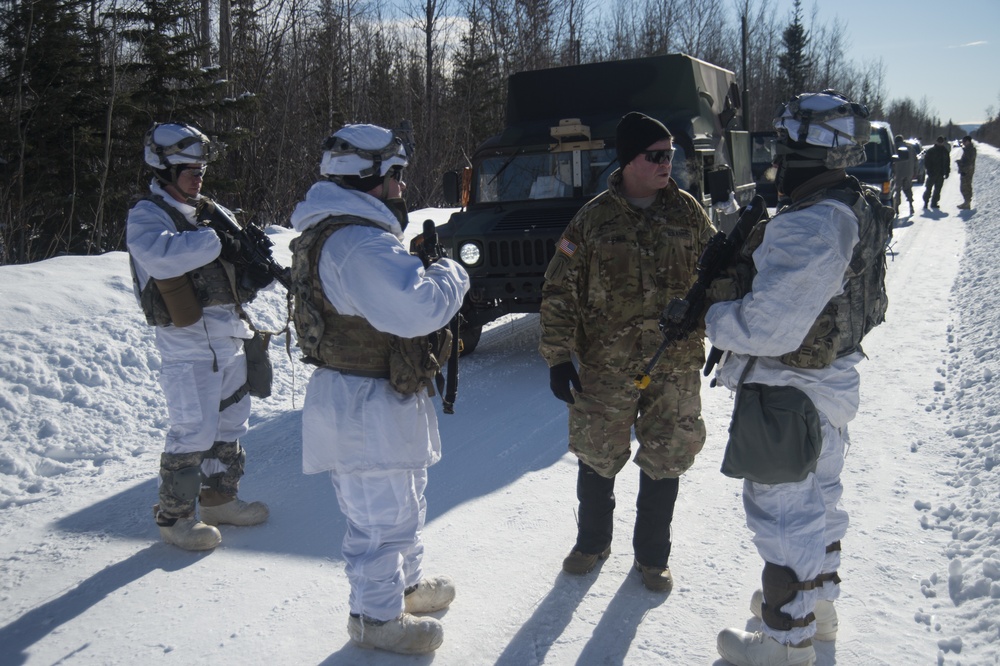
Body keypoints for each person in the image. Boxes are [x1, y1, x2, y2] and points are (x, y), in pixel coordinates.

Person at [707, 91, 890, 666]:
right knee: (821, 503)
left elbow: (767, 327)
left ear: (806, 150)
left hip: (788, 398)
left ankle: (787, 644)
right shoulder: (850, 204)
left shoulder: (811, 225)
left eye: (785, 144)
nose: (777, 156)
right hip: (827, 387)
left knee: (782, 516)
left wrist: (712, 318)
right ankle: (817, 611)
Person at [289, 124, 469, 655]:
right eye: (395, 177)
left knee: (403, 505)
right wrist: (451, 274)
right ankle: (375, 617)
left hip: (374, 400)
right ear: (369, 178)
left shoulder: (352, 236)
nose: (401, 189)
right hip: (362, 406)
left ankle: (404, 587)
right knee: (377, 521)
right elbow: (418, 309)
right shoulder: (357, 243)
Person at [539, 111, 715, 593]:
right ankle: (592, 543)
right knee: (597, 453)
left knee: (667, 455)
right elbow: (559, 290)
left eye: (670, 156)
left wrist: (723, 322)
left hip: (674, 366)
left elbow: (721, 278)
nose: (667, 165)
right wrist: (557, 357)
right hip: (608, 366)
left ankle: (653, 557)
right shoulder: (593, 219)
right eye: (656, 156)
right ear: (629, 160)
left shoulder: (689, 215)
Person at [127, 123, 271, 551]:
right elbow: (160, 256)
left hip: (228, 335)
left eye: (201, 166)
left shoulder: (206, 208)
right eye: (188, 167)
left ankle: (219, 499)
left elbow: (230, 260)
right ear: (164, 169)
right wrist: (216, 241)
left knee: (231, 422)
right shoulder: (147, 214)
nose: (198, 174)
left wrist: (252, 267)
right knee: (192, 430)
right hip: (187, 345)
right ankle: (175, 518)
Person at [922, 135, 951, 209]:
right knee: (928, 189)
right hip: (932, 173)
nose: (940, 143)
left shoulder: (945, 151)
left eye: (941, 142)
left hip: (940, 174)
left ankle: (934, 203)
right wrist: (928, 170)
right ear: (936, 142)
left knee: (937, 190)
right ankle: (926, 202)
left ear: (943, 142)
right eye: (939, 142)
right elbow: (926, 162)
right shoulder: (931, 151)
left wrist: (947, 172)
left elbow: (947, 163)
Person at [892, 134, 914, 216]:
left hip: (897, 173)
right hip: (908, 173)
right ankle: (911, 204)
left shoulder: (893, 148)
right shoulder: (910, 148)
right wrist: (914, 172)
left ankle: (896, 207)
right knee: (908, 189)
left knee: (897, 191)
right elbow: (915, 161)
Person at [956, 135, 977, 209]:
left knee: (965, 187)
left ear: (968, 141)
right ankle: (966, 202)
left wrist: (961, 164)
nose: (963, 143)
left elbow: (969, 162)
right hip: (966, 170)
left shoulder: (970, 150)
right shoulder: (968, 149)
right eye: (963, 141)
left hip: (967, 171)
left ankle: (967, 203)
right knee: (966, 186)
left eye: (965, 141)